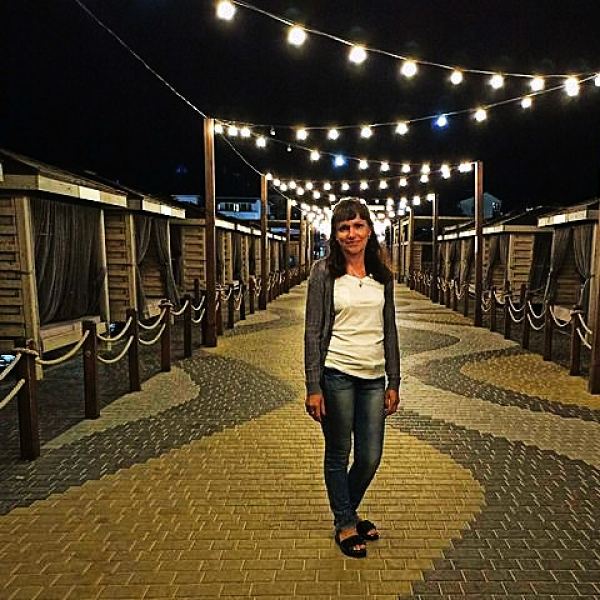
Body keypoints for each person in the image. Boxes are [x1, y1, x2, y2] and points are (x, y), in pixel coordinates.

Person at [304, 198, 401, 559]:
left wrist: (394, 380)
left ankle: (347, 511)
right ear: (335, 234)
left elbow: (389, 329)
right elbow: (312, 331)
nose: (351, 234)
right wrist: (313, 387)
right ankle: (346, 522)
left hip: (374, 378)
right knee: (338, 452)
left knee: (370, 456)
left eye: (358, 226)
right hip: (337, 375)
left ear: (369, 231)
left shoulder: (382, 275)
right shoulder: (323, 273)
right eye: (343, 227)